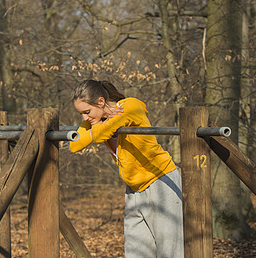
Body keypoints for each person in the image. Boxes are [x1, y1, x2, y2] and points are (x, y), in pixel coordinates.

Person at [70, 79, 184, 258]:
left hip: (160, 180)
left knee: (169, 251)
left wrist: (99, 128)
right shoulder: (96, 119)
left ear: (101, 101)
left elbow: (101, 135)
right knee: (136, 251)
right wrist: (98, 125)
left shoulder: (130, 106)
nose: (85, 118)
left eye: (86, 112)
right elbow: (75, 145)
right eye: (81, 114)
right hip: (133, 189)